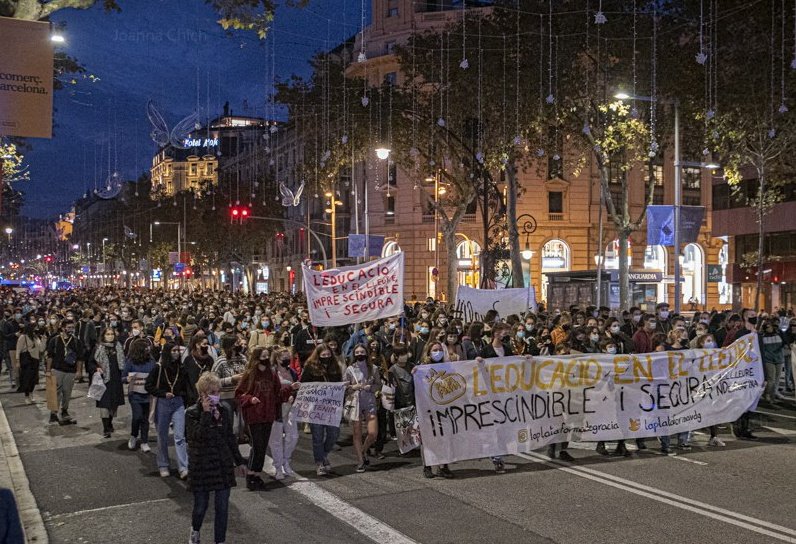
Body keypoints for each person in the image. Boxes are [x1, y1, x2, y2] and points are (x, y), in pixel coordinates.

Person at [186, 372, 247, 544]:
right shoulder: (191, 413)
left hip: (222, 463)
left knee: (222, 507)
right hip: (202, 466)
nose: (216, 396)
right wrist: (206, 414)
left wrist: (239, 461)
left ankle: (220, 541)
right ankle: (195, 531)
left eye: (218, 392)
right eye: (212, 392)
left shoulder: (224, 410)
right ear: (202, 394)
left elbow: (229, 438)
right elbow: (197, 437)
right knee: (200, 507)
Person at [235, 346, 285, 491]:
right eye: (262, 356)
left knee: (262, 447)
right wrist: (250, 399)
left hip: (268, 414)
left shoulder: (272, 373)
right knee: (257, 446)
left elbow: (278, 393)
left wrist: (289, 390)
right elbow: (239, 394)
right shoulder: (250, 374)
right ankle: (251, 474)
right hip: (254, 415)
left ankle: (256, 474)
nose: (265, 359)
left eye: (266, 356)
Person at [145, 342, 190, 479]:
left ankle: (183, 467)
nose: (176, 353)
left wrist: (183, 397)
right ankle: (163, 464)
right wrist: (163, 394)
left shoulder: (181, 368)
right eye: (174, 350)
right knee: (162, 435)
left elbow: (186, 386)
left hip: (178, 403)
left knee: (180, 436)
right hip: (163, 402)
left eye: (178, 350)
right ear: (167, 352)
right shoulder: (158, 368)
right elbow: (149, 386)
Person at [301, 343, 343, 475]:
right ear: (318, 356)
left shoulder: (335, 368)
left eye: (328, 354)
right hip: (316, 408)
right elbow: (304, 385)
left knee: (333, 434)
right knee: (317, 437)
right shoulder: (310, 368)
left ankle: (323, 455)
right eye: (323, 355)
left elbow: (338, 385)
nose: (326, 357)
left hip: (331, 407)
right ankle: (319, 462)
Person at [345, 343, 380, 473]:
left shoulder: (374, 368)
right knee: (357, 433)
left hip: (369, 401)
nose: (360, 354)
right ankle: (360, 461)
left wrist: (370, 388)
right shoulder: (350, 369)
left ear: (366, 353)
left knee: (372, 433)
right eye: (357, 352)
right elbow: (345, 386)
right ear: (354, 354)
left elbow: (378, 384)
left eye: (362, 352)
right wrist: (353, 387)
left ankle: (363, 451)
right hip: (355, 402)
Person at [268, 347, 300, 480]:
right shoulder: (272, 373)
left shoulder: (292, 372)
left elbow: (297, 387)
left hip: (290, 407)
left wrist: (294, 394)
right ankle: (278, 466)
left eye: (289, 357)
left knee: (293, 436)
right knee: (275, 440)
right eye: (284, 358)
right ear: (276, 359)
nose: (287, 360)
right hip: (276, 409)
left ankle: (286, 461)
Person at [45, 320, 84, 425]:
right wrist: (48, 370)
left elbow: (80, 358)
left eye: (72, 327)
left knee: (67, 392)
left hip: (70, 371)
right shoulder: (55, 340)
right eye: (69, 327)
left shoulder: (76, 341)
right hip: (57, 369)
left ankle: (65, 410)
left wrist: (79, 371)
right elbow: (50, 356)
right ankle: (53, 413)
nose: (71, 329)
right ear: (63, 328)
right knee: (55, 391)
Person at [91, 328, 126, 439]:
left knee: (113, 405)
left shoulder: (118, 346)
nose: (110, 336)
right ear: (103, 335)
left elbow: (122, 362)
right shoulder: (98, 347)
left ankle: (110, 422)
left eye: (112, 334)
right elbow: (90, 362)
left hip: (115, 379)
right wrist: (96, 368)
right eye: (108, 334)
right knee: (104, 404)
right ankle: (106, 428)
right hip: (103, 380)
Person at [123, 338, 156, 452]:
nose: (148, 349)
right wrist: (127, 378)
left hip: (148, 395)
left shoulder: (151, 361)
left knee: (145, 419)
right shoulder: (130, 361)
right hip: (135, 394)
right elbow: (122, 377)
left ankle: (144, 441)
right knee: (137, 417)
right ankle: (133, 435)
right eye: (146, 347)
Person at [16, 323, 44, 404]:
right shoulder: (23, 337)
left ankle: (31, 393)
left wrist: (43, 339)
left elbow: (41, 349)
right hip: (27, 360)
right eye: (34, 328)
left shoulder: (36, 337)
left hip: (35, 360)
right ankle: (27, 395)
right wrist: (17, 361)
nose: (36, 329)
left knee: (34, 379)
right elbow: (18, 349)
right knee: (27, 379)